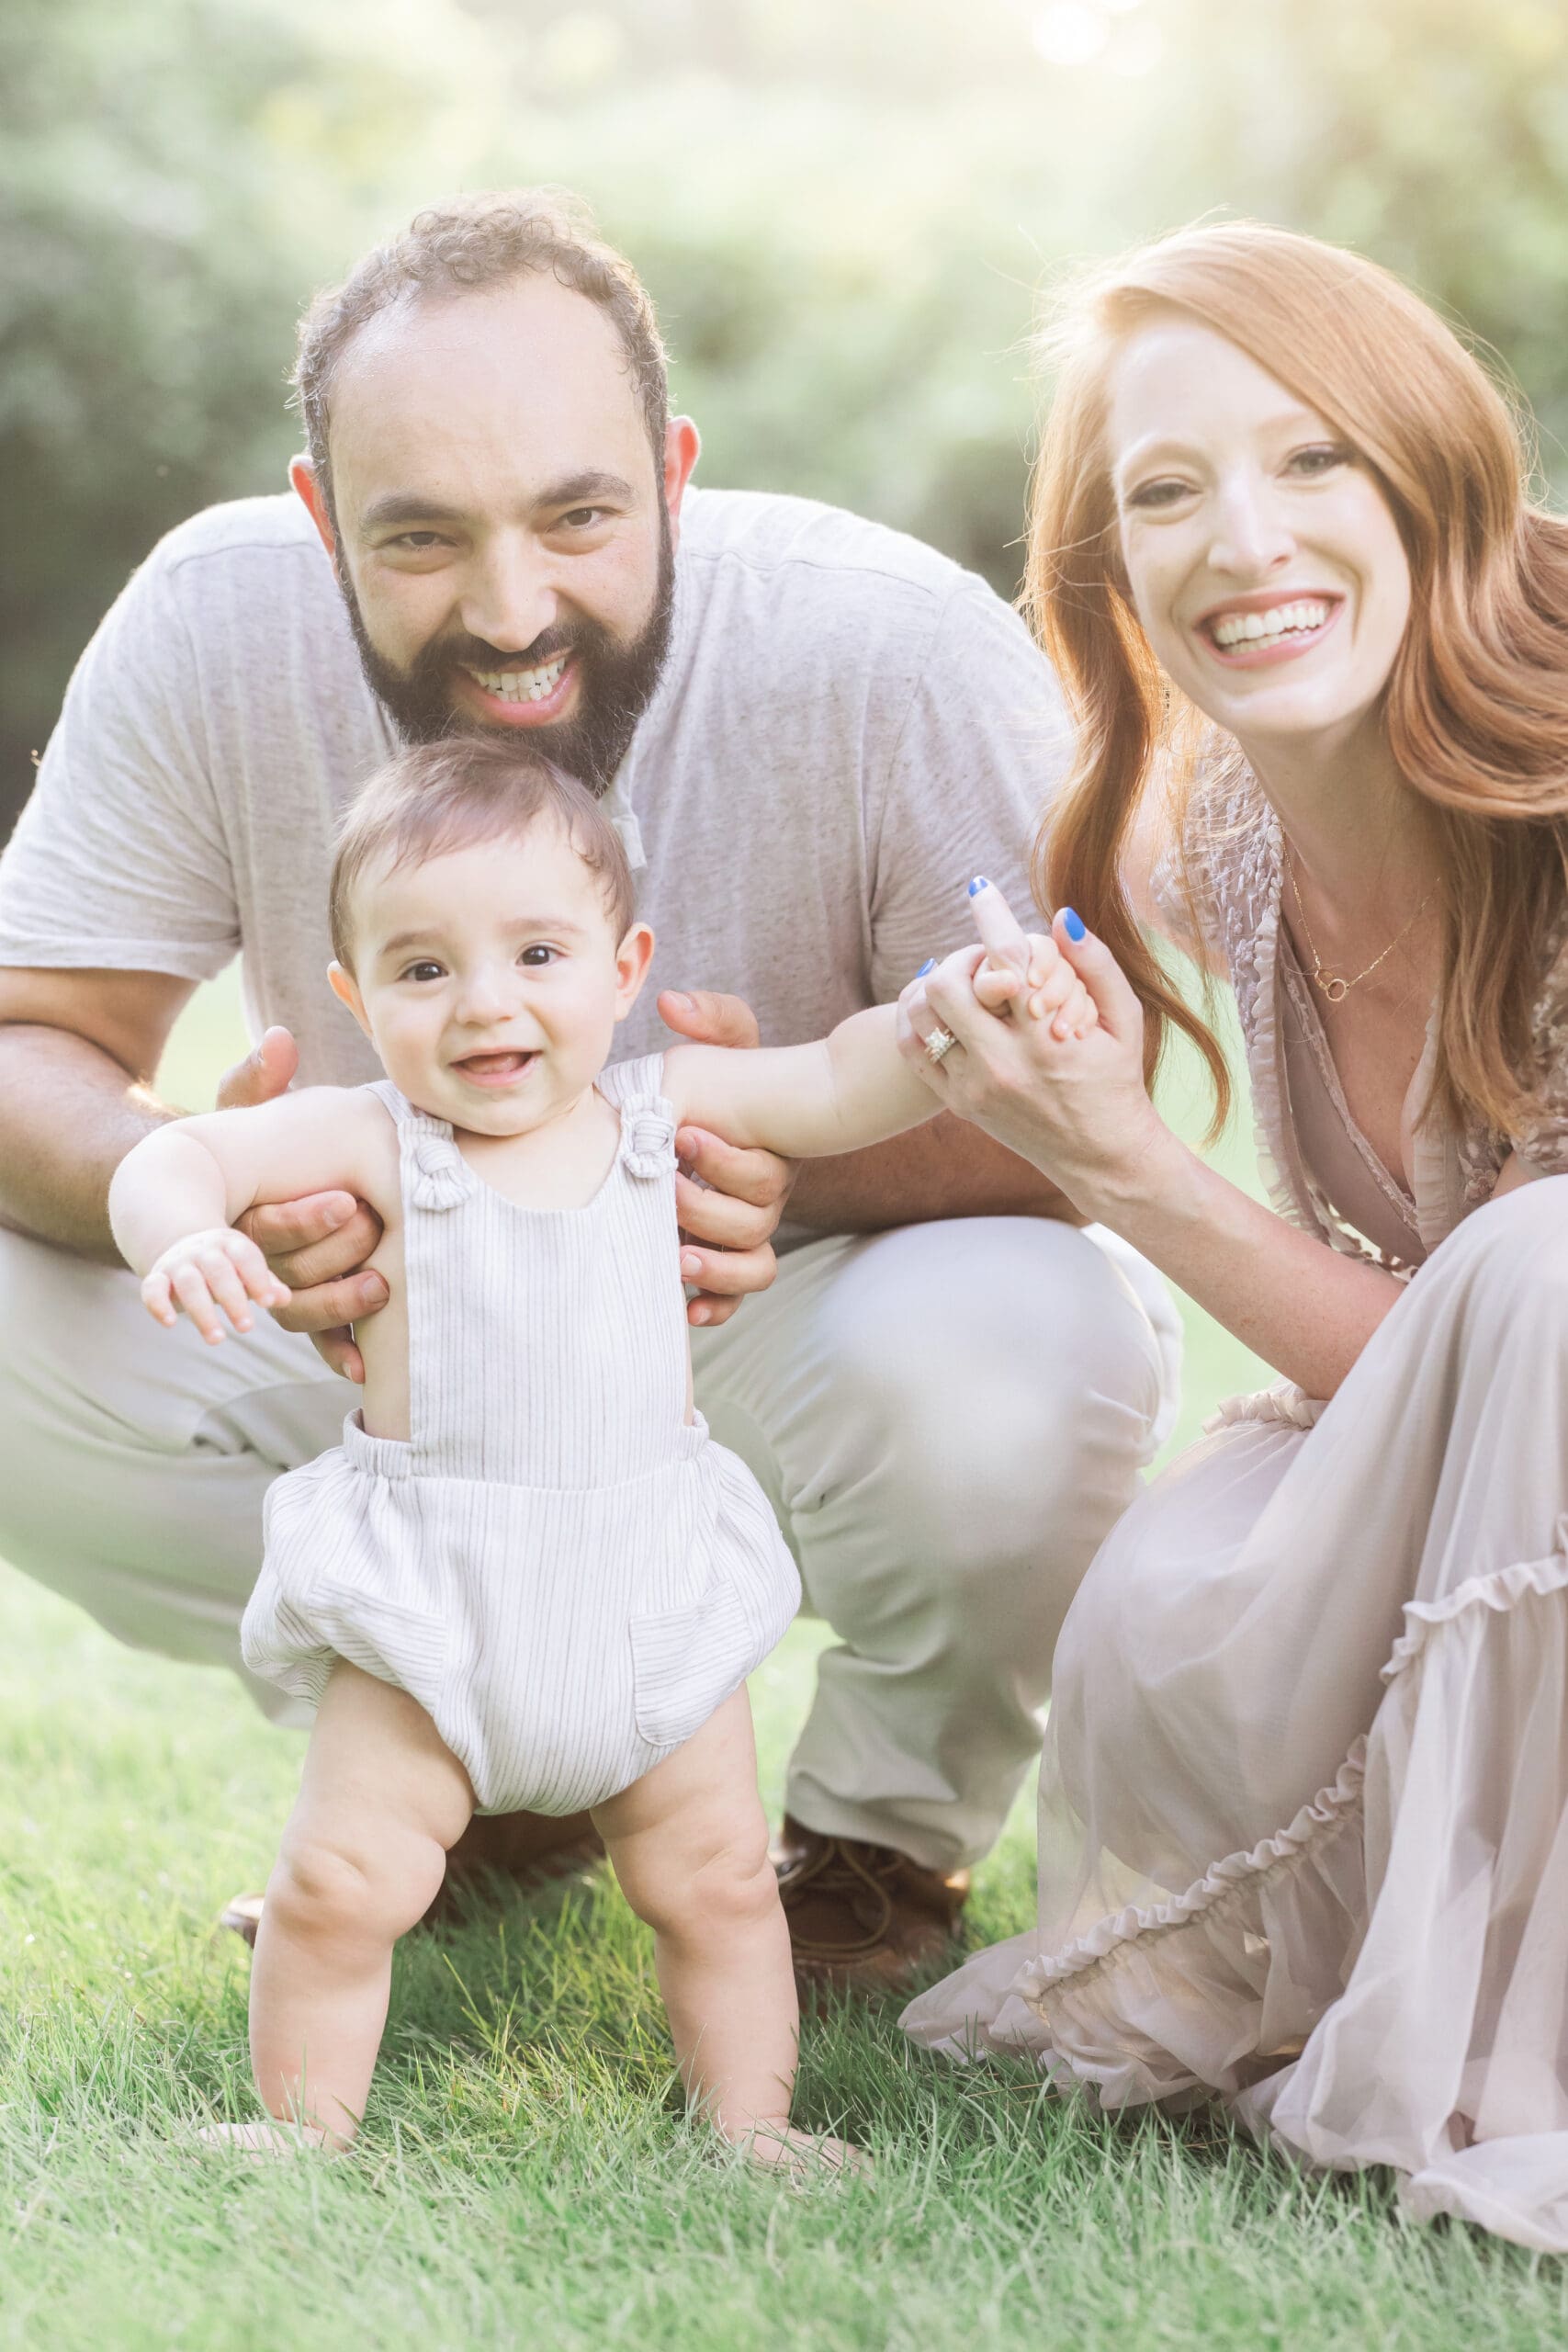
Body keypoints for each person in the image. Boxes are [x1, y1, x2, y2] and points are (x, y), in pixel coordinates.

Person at [0, 189, 1179, 1991]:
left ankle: (876, 1842)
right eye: (418, 539)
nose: (511, 609)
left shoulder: (887, 648)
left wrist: (784, 1172)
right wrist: (197, 1188)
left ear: (673, 472)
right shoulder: (208, 623)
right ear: (321, 520)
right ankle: (485, 1752)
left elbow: (1113, 1107)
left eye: (577, 515)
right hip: (383, 1317)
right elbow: (30, 1036)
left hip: (776, 1294)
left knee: (1020, 1343)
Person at [108, 735, 1098, 2161]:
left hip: (647, 1590)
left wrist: (956, 1006)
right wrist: (185, 1228)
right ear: (355, 998)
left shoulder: (664, 1113)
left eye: (536, 954)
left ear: (624, 969)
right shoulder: (376, 1140)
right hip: (431, 1601)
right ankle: (298, 2129)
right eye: (424, 969)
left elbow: (839, 1076)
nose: (485, 1005)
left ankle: (752, 2131)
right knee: (337, 1881)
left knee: (717, 1887)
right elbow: (173, 1157)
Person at [896, 218, 1568, 2249]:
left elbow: (1520, 1348)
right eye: (1163, 491)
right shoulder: (1207, 831)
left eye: (1305, 462)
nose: (1238, 541)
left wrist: (1130, 1165)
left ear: (1421, 463)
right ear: (1107, 570)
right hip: (1476, 1452)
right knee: (1172, 1588)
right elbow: (1433, 1378)